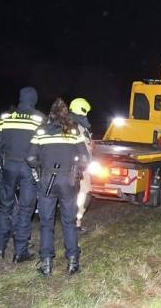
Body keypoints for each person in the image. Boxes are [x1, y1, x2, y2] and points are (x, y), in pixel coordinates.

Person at [27, 98, 90, 276]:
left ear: (51, 114)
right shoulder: (73, 131)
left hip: (47, 180)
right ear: (65, 114)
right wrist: (76, 169)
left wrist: (41, 167)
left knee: (46, 224)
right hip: (68, 181)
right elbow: (86, 159)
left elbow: (30, 158)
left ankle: (46, 265)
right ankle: (73, 263)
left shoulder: (41, 131)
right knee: (69, 222)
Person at [0, 87, 45, 261]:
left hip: (8, 167)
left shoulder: (6, 118)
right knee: (26, 209)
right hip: (29, 168)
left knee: (5, 207)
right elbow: (44, 147)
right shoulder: (40, 119)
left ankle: (0, 247)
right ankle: (20, 252)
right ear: (34, 99)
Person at [69, 98, 93, 235]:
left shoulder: (74, 126)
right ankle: (75, 224)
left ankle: (73, 222)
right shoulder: (77, 128)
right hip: (79, 169)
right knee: (83, 194)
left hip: (75, 168)